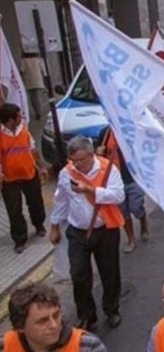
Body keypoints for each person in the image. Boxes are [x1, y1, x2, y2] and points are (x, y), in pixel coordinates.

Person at [50, 136, 124, 330]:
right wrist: (54, 226)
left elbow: (118, 195)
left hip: (105, 229)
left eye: (81, 160)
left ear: (91, 155)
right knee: (79, 274)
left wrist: (90, 190)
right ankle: (86, 315)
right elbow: (61, 200)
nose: (77, 165)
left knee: (110, 271)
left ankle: (112, 309)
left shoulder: (108, 169)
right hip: (78, 232)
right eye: (74, 160)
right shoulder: (67, 173)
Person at [0, 102, 47, 253]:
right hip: (9, 179)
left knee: (36, 203)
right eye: (19, 116)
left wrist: (41, 167)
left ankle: (39, 224)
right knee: (14, 210)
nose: (22, 117)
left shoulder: (25, 132)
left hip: (29, 174)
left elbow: (33, 150)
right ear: (10, 120)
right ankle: (20, 239)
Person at [96, 128, 149, 254]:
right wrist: (98, 153)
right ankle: (131, 239)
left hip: (133, 178)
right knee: (123, 212)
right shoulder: (105, 134)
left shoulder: (131, 129)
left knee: (136, 207)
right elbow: (99, 158)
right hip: (115, 181)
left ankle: (142, 220)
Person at [19, 53, 47, 120]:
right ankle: (40, 113)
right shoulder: (39, 60)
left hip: (29, 81)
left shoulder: (24, 61)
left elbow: (22, 71)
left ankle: (37, 112)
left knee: (33, 99)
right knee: (38, 98)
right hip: (38, 81)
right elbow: (44, 71)